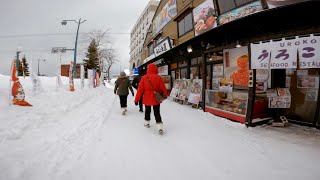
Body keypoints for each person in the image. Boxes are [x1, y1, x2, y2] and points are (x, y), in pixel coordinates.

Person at [134, 63, 167, 134]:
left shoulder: (144, 78)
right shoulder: (158, 77)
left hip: (147, 98)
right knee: (157, 112)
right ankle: (160, 127)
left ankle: (147, 123)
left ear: (148, 70)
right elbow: (163, 89)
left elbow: (140, 90)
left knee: (147, 111)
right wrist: (165, 96)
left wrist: (136, 100)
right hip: (156, 98)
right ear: (155, 69)